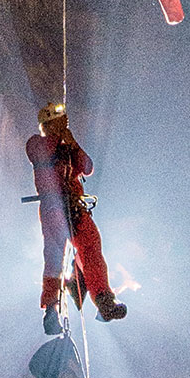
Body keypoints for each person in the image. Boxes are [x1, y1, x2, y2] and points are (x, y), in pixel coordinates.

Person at [27, 101, 126, 324]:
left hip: (74, 208)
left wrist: (72, 143)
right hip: (53, 207)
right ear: (48, 124)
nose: (65, 123)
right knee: (54, 256)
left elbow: (87, 167)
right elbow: (42, 153)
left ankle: (104, 301)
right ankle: (51, 309)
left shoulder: (68, 146)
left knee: (91, 246)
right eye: (59, 121)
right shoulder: (36, 143)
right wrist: (60, 139)